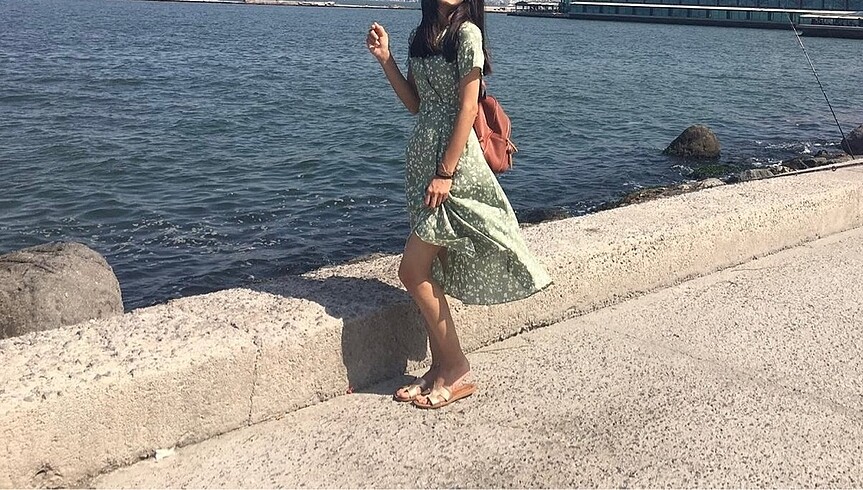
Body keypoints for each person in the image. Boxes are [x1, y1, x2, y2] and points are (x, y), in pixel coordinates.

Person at [366, 0, 552, 410]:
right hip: (423, 161)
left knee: (411, 270)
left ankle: (457, 367)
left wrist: (445, 173)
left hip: (453, 165)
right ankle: (439, 368)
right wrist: (386, 60)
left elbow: (468, 107)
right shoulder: (422, 36)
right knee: (428, 269)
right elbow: (415, 104)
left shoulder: (468, 34)